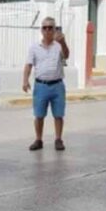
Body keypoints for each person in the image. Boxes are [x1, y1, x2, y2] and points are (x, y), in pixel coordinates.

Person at [23, 17, 70, 151]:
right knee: (39, 115)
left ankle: (58, 139)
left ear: (55, 29)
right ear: (41, 30)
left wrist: (64, 42)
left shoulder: (59, 45)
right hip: (41, 85)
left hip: (57, 85)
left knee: (58, 115)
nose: (48, 30)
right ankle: (38, 139)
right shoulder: (34, 47)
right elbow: (28, 65)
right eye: (45, 27)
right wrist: (25, 80)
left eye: (51, 27)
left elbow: (66, 56)